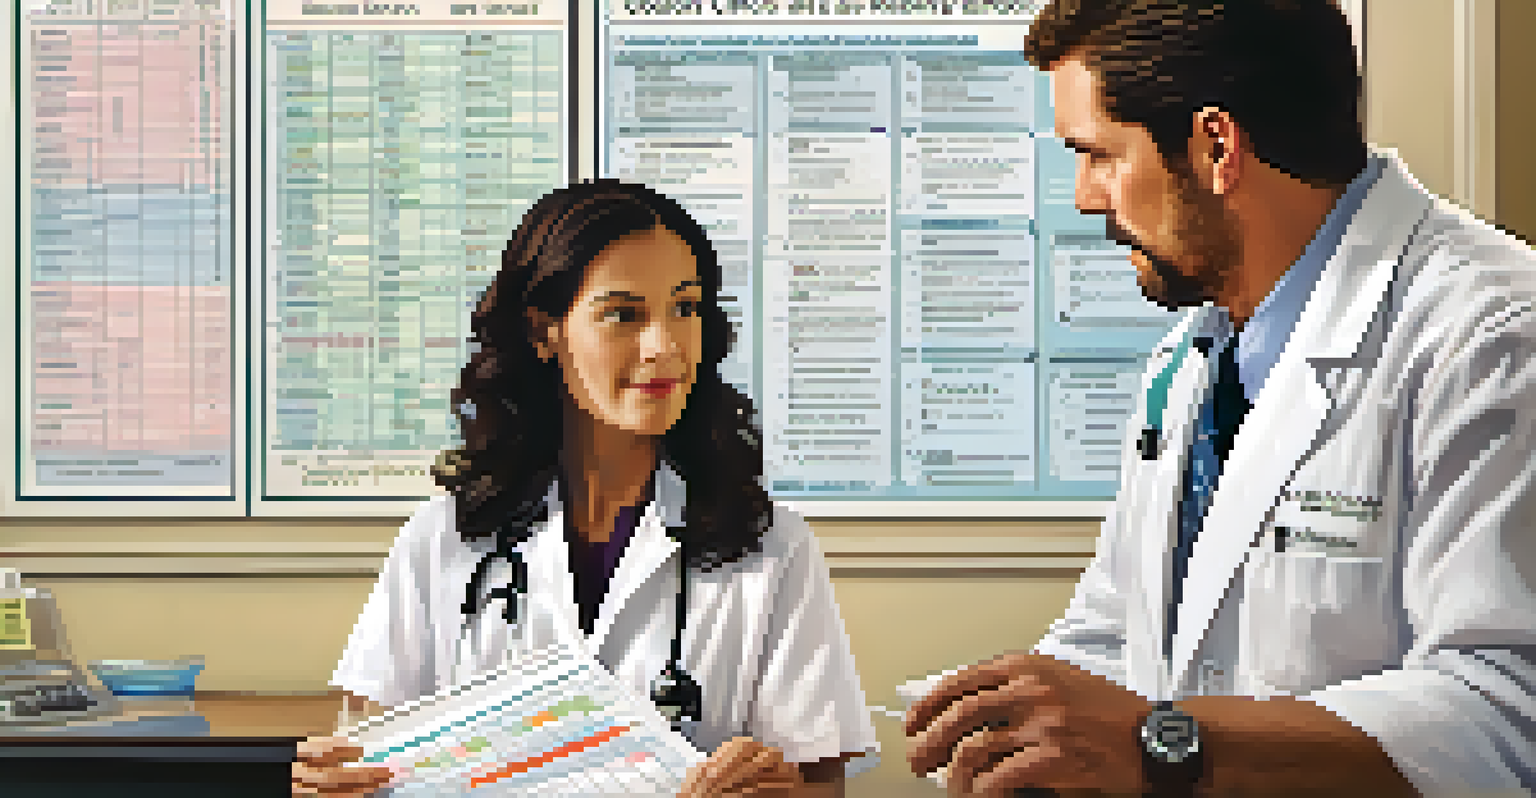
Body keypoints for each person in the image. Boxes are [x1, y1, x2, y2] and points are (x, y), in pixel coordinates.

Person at [904, 1, 1536, 796]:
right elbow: (1119, 634)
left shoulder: (1495, 338)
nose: (1085, 197)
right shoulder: (1192, 360)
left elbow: (1504, 715)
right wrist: (1016, 718)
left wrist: (1161, 745)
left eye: (1098, 155)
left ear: (1215, 146)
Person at [291, 179, 878, 796]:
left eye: (685, 308)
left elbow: (820, 784)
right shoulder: (443, 539)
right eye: (623, 315)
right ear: (546, 333)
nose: (665, 346)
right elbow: (367, 757)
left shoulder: (771, 546)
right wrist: (329, 785)